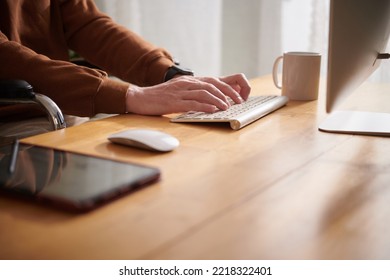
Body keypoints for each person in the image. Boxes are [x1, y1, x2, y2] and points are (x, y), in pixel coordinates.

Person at [0, 0, 251, 137]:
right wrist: (131, 95)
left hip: (60, 111)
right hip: (17, 119)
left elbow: (88, 25)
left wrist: (171, 75)